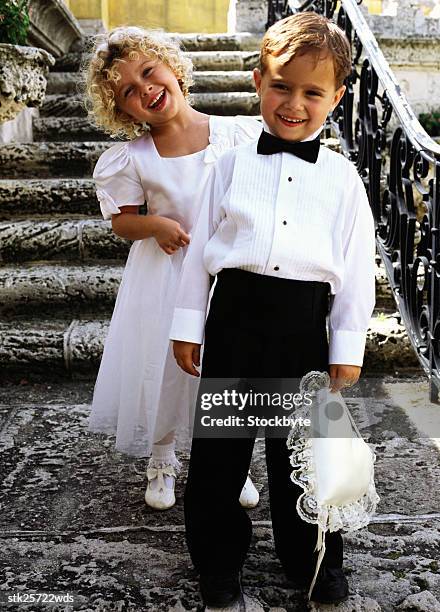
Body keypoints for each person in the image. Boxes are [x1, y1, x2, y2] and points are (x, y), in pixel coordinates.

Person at [170, 11, 376, 608]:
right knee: (220, 455)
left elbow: (355, 268)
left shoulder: (342, 179)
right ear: (259, 80)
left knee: (303, 457)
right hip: (234, 319)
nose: (294, 103)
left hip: (303, 326)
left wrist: (346, 347)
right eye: (282, 85)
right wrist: (188, 325)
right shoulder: (228, 166)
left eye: (313, 92)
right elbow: (199, 256)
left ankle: (312, 559)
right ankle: (217, 562)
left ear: (336, 98)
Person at [84, 26, 260, 510]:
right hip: (165, 274)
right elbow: (122, 221)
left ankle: (229, 460)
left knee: (224, 366)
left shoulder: (236, 133)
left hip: (226, 274)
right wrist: (155, 224)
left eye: (148, 71)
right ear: (122, 111)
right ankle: (161, 458)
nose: (145, 89)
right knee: (162, 369)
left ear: (172, 67)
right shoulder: (133, 158)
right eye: (128, 92)